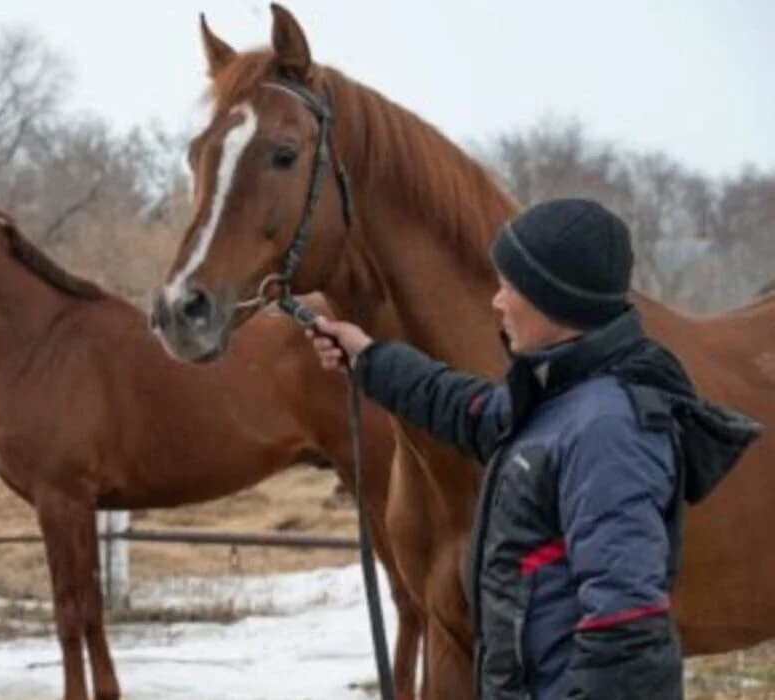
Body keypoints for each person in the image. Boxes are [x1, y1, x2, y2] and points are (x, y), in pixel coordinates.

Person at [308, 198, 761, 700]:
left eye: (510, 287)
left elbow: (626, 626)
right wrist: (369, 359)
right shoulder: (560, 400)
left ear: (555, 301)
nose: (497, 302)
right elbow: (466, 409)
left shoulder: (608, 430)